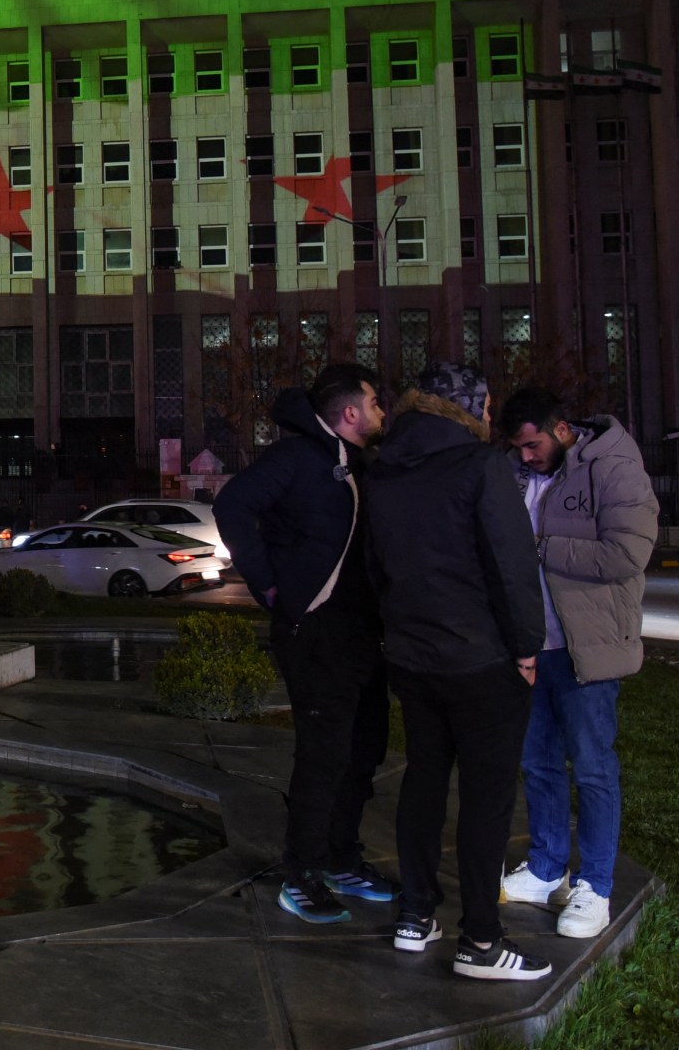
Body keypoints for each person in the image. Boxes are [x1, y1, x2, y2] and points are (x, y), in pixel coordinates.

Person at [367, 362, 548, 980]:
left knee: (423, 781)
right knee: (487, 800)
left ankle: (416, 915)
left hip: (414, 659)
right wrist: (527, 648)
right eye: (487, 407)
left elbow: (377, 570)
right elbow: (512, 566)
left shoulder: (383, 470)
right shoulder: (482, 466)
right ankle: (481, 941)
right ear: (467, 409)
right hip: (481, 660)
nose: (492, 418)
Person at [213, 363, 393, 926]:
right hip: (314, 633)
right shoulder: (296, 460)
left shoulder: (363, 465)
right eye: (375, 402)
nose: (382, 413)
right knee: (324, 757)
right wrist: (272, 587)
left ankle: (343, 859)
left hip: (363, 634)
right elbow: (233, 505)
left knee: (363, 751)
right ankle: (304, 874)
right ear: (349, 413)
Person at [496, 386, 657, 939]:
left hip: (585, 647)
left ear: (562, 430)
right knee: (537, 763)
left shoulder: (614, 466)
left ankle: (595, 885)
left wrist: (539, 546)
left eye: (532, 444)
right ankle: (545, 869)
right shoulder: (517, 473)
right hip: (528, 646)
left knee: (591, 767)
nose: (525, 456)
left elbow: (627, 554)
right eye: (516, 447)